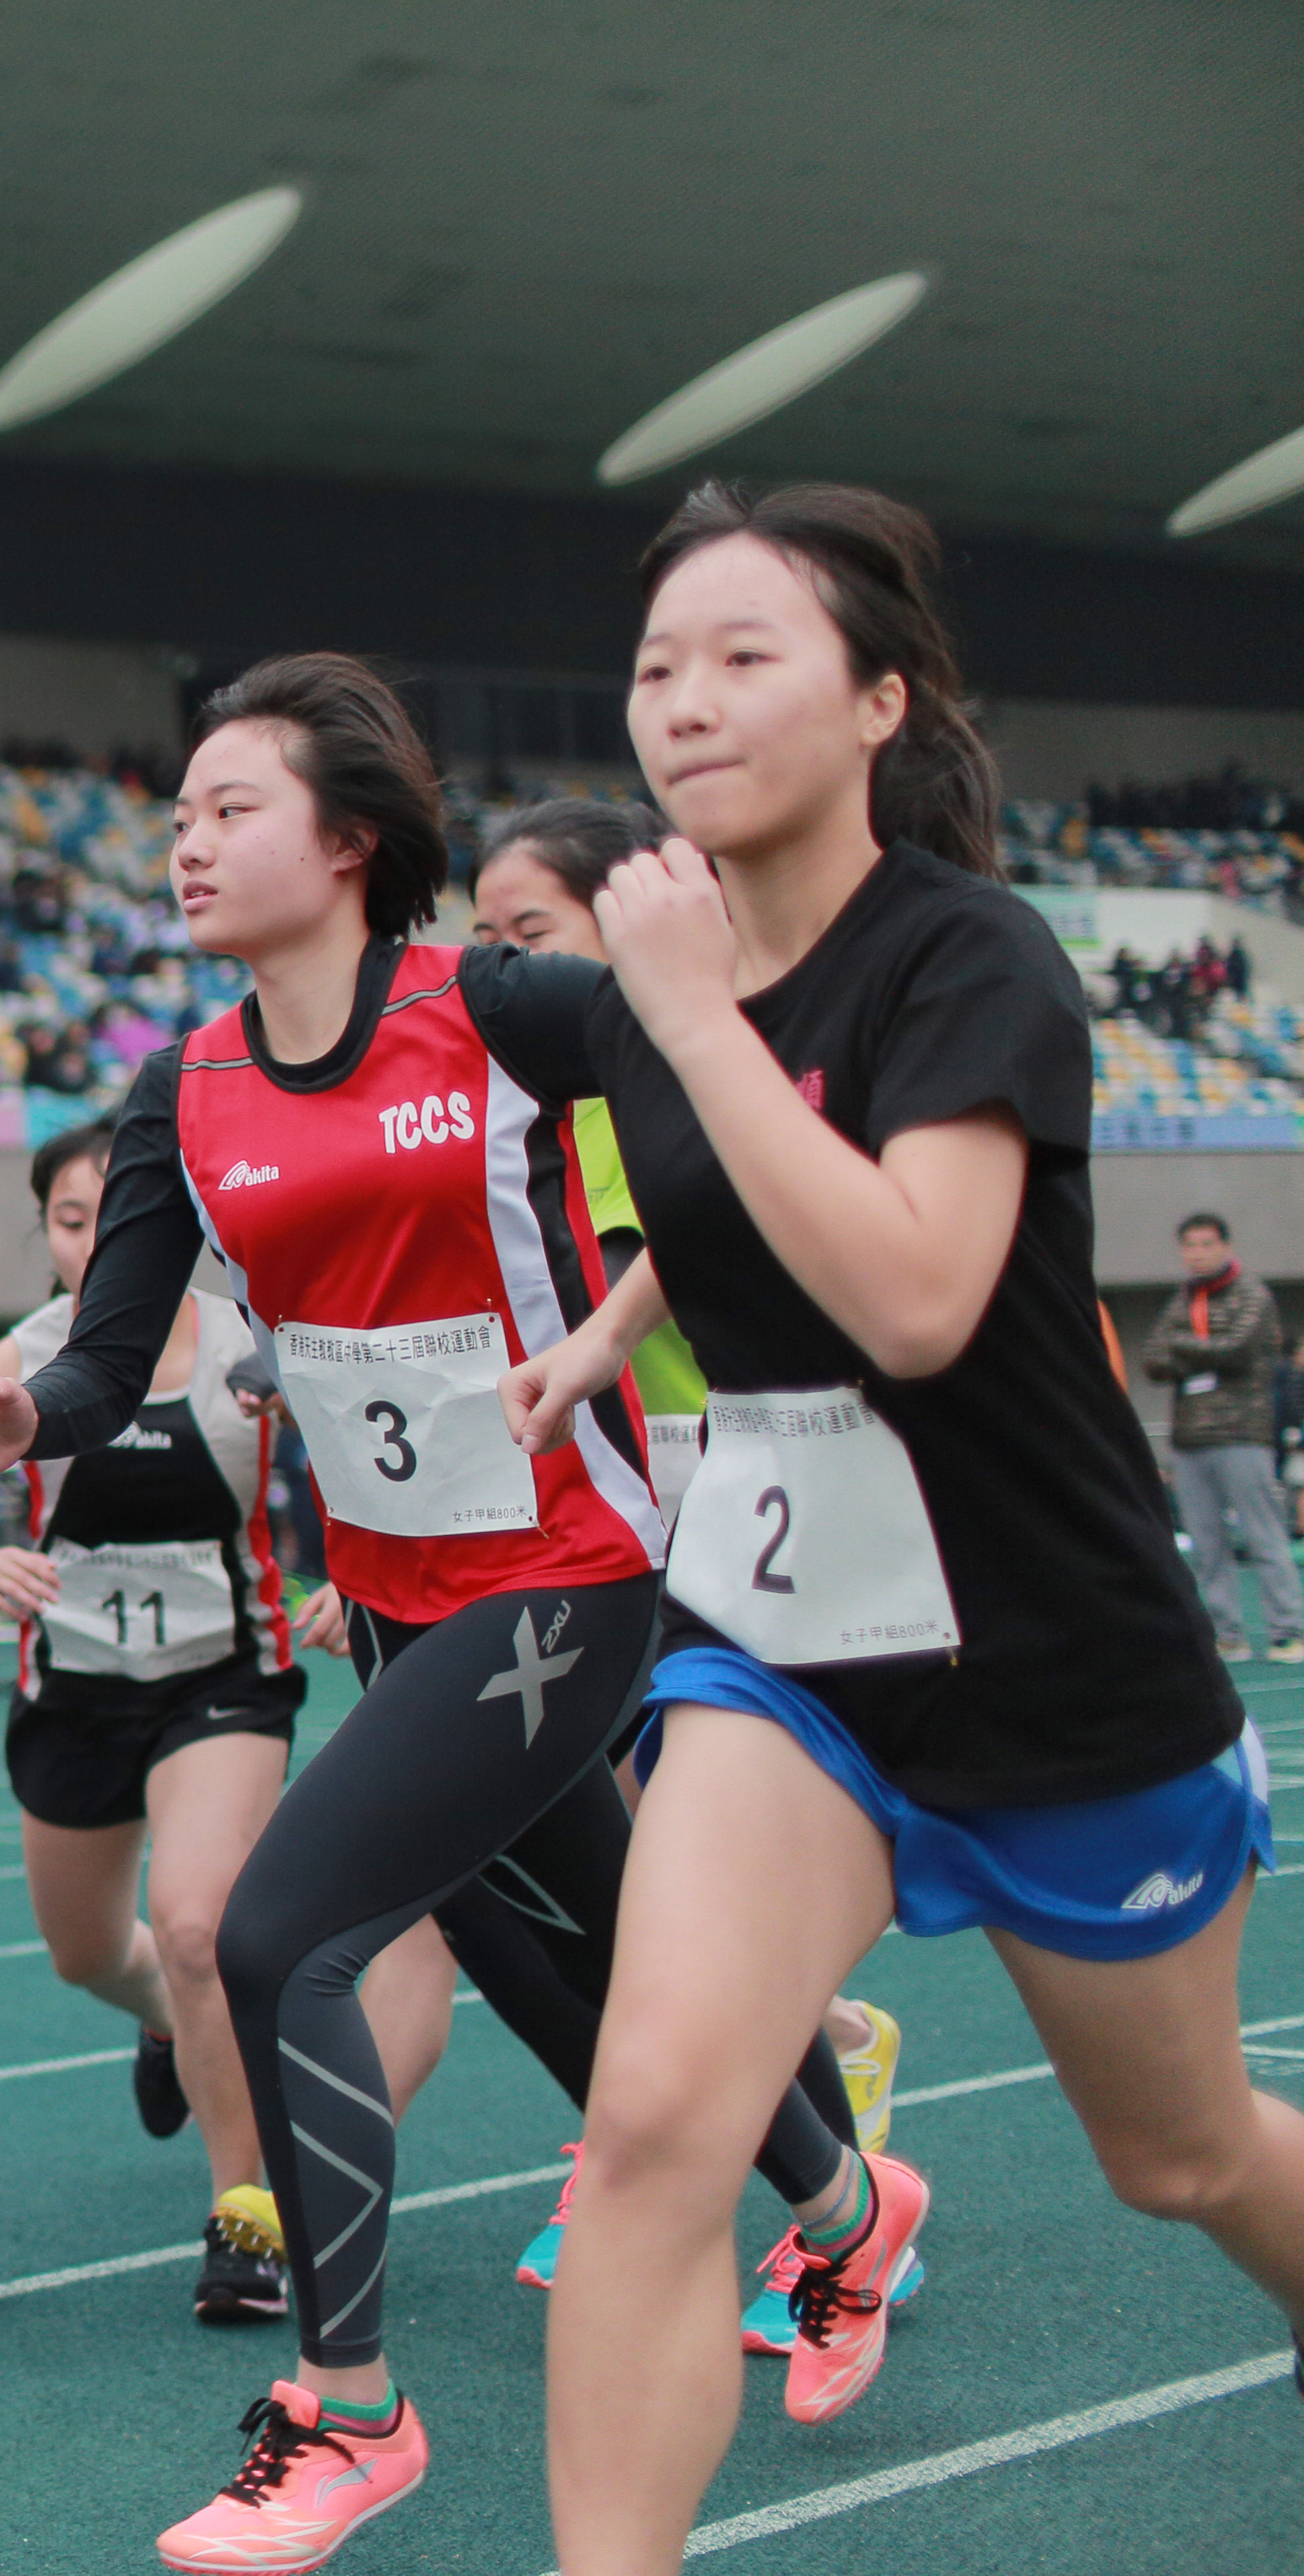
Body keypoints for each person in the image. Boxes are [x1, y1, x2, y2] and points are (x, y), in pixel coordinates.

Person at [0, 651, 871, 2575]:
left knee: (275, 1933)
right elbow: (107, 1355)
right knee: (579, 1957)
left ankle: (349, 2409)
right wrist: (29, 1414)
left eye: (230, 808)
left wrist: (617, 1320)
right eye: (176, 816)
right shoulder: (180, 1086)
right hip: (395, 1602)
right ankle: (850, 2209)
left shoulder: (497, 1008)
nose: (186, 843)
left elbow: (739, 1088)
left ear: (350, 837)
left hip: (569, 1566)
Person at [508, 481, 1304, 2575]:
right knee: (656, 2121)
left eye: (743, 654)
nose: (684, 700)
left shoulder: (968, 955)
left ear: (880, 702)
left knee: (1180, 2155)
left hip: (1053, 1656)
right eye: (656, 664)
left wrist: (690, 1011)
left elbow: (919, 1295)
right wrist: (600, 1334)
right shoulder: (643, 999)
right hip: (788, 1647)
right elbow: (709, 1210)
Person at [0, 1119, 451, 2328]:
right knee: (89, 1952)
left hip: (223, 1681)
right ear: (45, 1235)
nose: (95, 1243)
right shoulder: (22, 1361)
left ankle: (243, 2215)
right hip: (75, 1692)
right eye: (69, 1222)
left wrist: (352, 1576)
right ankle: (171, 2033)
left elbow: (375, 1461)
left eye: (118, 1216)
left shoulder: (252, 1344)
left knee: (197, 1928)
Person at [471, 798, 918, 2342]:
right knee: (557, 1850)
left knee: (669, 1869)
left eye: (527, 935)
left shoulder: (674, 1069)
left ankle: (814, 2194)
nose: (496, 969)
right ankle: (764, 2105)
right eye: (479, 939)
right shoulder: (535, 1094)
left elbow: (662, 1249)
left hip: (747, 1483)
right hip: (612, 1495)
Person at [1144, 1210, 1304, 1662]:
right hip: (1190, 1440)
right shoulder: (1182, 1299)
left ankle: (1287, 1631)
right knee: (1207, 1544)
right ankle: (1226, 1634)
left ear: (1226, 1246)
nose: (1197, 1253)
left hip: (1242, 1434)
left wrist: (1181, 1346)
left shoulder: (1252, 1293)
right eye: (1190, 1245)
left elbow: (1237, 1349)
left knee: (1264, 1536)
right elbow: (1153, 1359)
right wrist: (1199, 1351)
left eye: (1206, 1244)